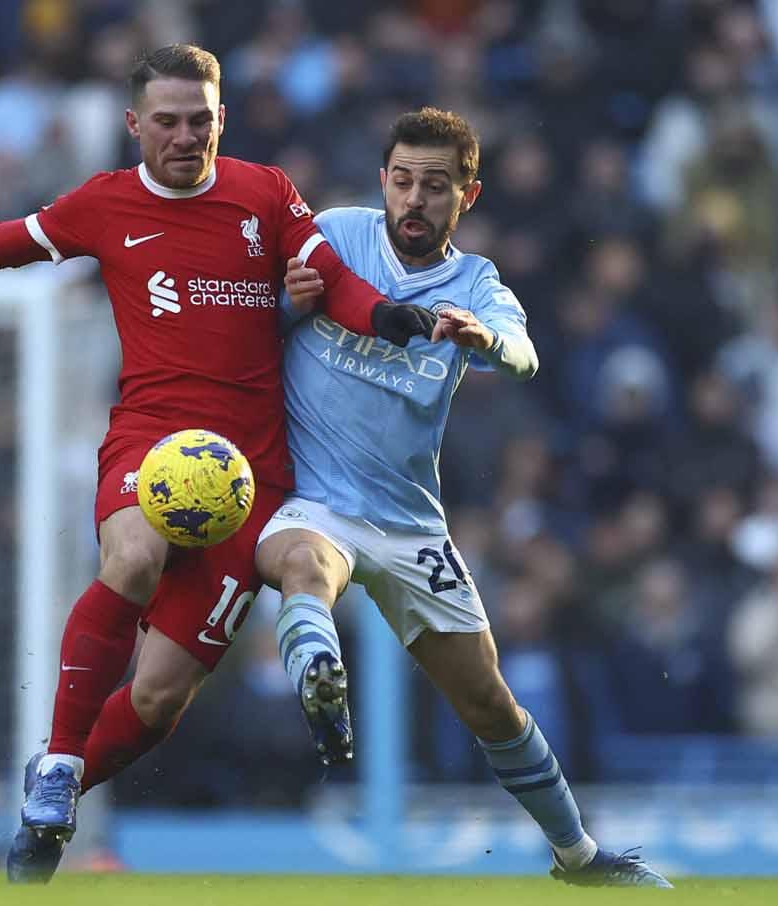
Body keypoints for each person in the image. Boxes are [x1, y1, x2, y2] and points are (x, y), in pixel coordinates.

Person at [0, 44, 438, 884]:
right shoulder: (105, 204)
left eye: (199, 120)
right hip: (153, 439)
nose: (184, 136)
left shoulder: (264, 192)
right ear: (135, 125)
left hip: (253, 477)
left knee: (161, 699)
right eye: (166, 121)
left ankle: (45, 810)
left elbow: (331, 277)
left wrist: (384, 317)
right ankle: (59, 762)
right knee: (132, 557)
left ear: (221, 119)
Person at [256, 107, 671, 888]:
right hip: (314, 497)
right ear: (383, 182)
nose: (415, 200)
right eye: (403, 181)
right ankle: (318, 675)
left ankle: (577, 857)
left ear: (467, 196)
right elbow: (252, 326)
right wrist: (288, 301)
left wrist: (485, 340)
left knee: (489, 704)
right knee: (305, 565)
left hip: (411, 522)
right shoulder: (338, 235)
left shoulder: (476, 283)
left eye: (435, 187)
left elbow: (526, 356)